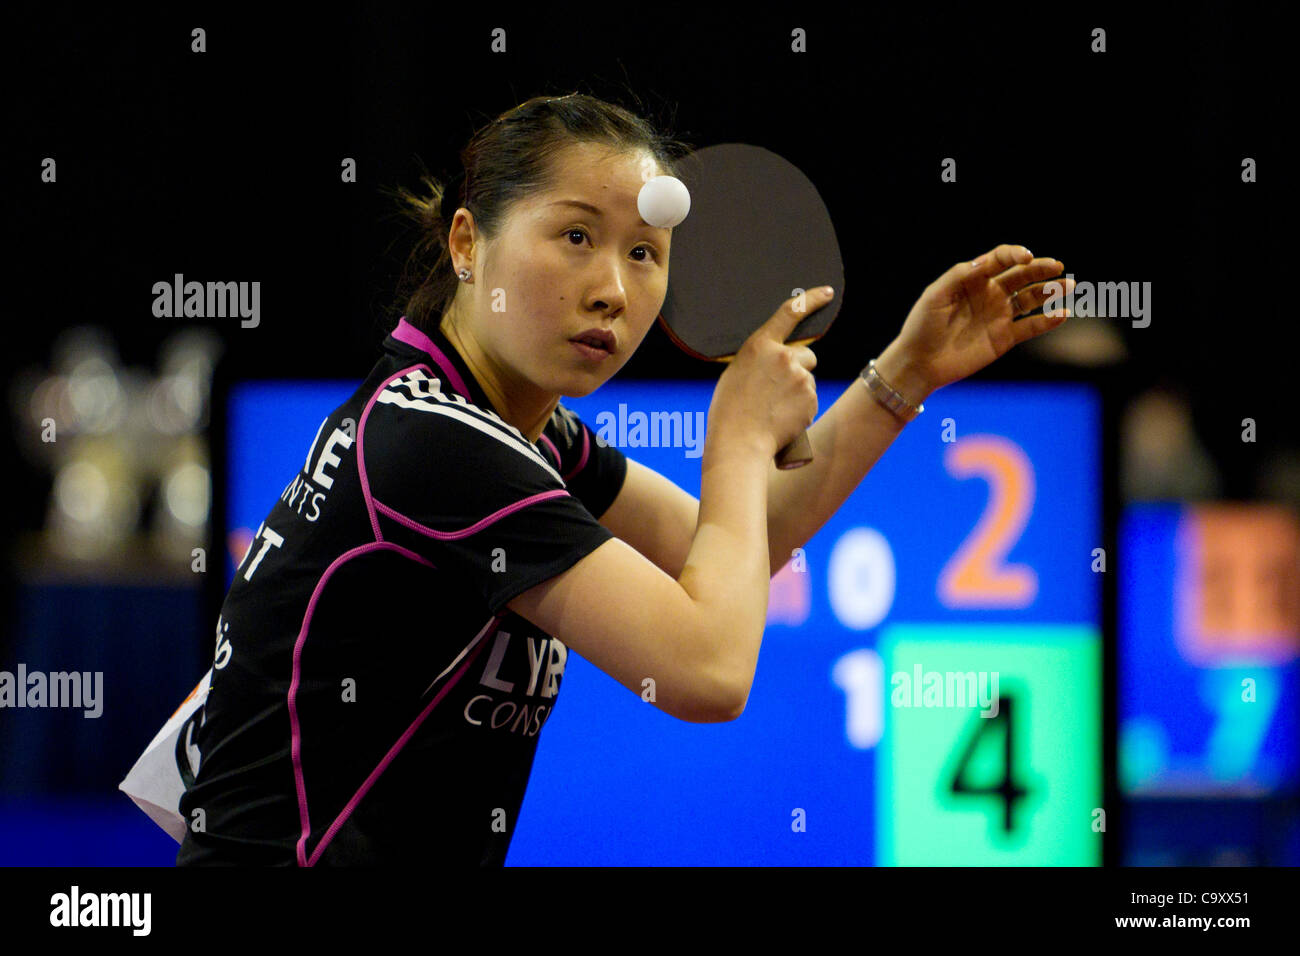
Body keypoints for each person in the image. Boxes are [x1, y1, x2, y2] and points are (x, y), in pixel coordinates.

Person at [176, 92, 1072, 867]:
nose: (612, 287)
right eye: (575, 236)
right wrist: (735, 439)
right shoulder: (430, 445)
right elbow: (708, 670)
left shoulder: (518, 430)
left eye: (645, 253)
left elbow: (737, 550)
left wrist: (904, 374)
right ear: (466, 242)